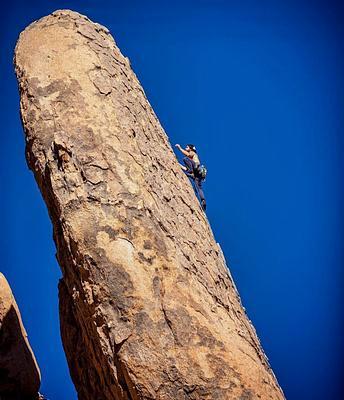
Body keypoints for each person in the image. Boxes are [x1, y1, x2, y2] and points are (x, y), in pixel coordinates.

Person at [175, 143, 206, 211]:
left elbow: (187, 155)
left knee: (185, 159)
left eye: (187, 147)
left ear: (190, 148)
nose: (186, 148)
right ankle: (203, 200)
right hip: (197, 174)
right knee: (199, 188)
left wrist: (180, 148)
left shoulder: (193, 153)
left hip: (196, 168)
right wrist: (176, 164)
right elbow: (186, 168)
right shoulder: (191, 162)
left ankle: (191, 173)